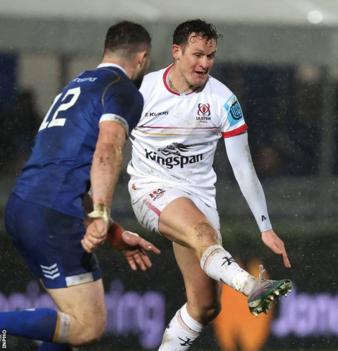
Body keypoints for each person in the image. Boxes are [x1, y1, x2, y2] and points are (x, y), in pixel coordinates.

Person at [120, 19, 291, 350]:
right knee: (202, 233)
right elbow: (108, 145)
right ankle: (250, 286)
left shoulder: (223, 101)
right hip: (150, 189)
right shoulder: (141, 91)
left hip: (198, 198)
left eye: (211, 56)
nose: (204, 63)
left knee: (205, 306)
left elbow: (244, 167)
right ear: (176, 52)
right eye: (197, 54)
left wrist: (265, 227)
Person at [1, 21, 161, 350]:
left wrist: (111, 229)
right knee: (88, 326)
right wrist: (101, 212)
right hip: (51, 214)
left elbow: (67, 167)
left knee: (70, 321)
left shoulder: (77, 85)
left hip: (24, 206)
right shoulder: (123, 90)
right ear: (142, 58)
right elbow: (108, 150)